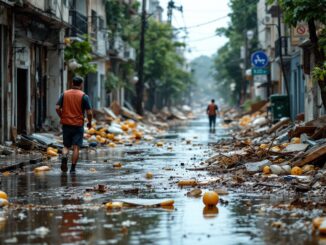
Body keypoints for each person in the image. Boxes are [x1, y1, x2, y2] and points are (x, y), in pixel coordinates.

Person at [56, 76, 93, 173]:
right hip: (78, 124)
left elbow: (57, 107)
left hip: (66, 123)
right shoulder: (84, 96)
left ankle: (64, 156)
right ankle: (72, 169)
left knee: (66, 146)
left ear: (72, 83)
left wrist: (62, 116)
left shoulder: (64, 94)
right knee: (76, 147)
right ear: (81, 85)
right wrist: (89, 122)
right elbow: (89, 113)